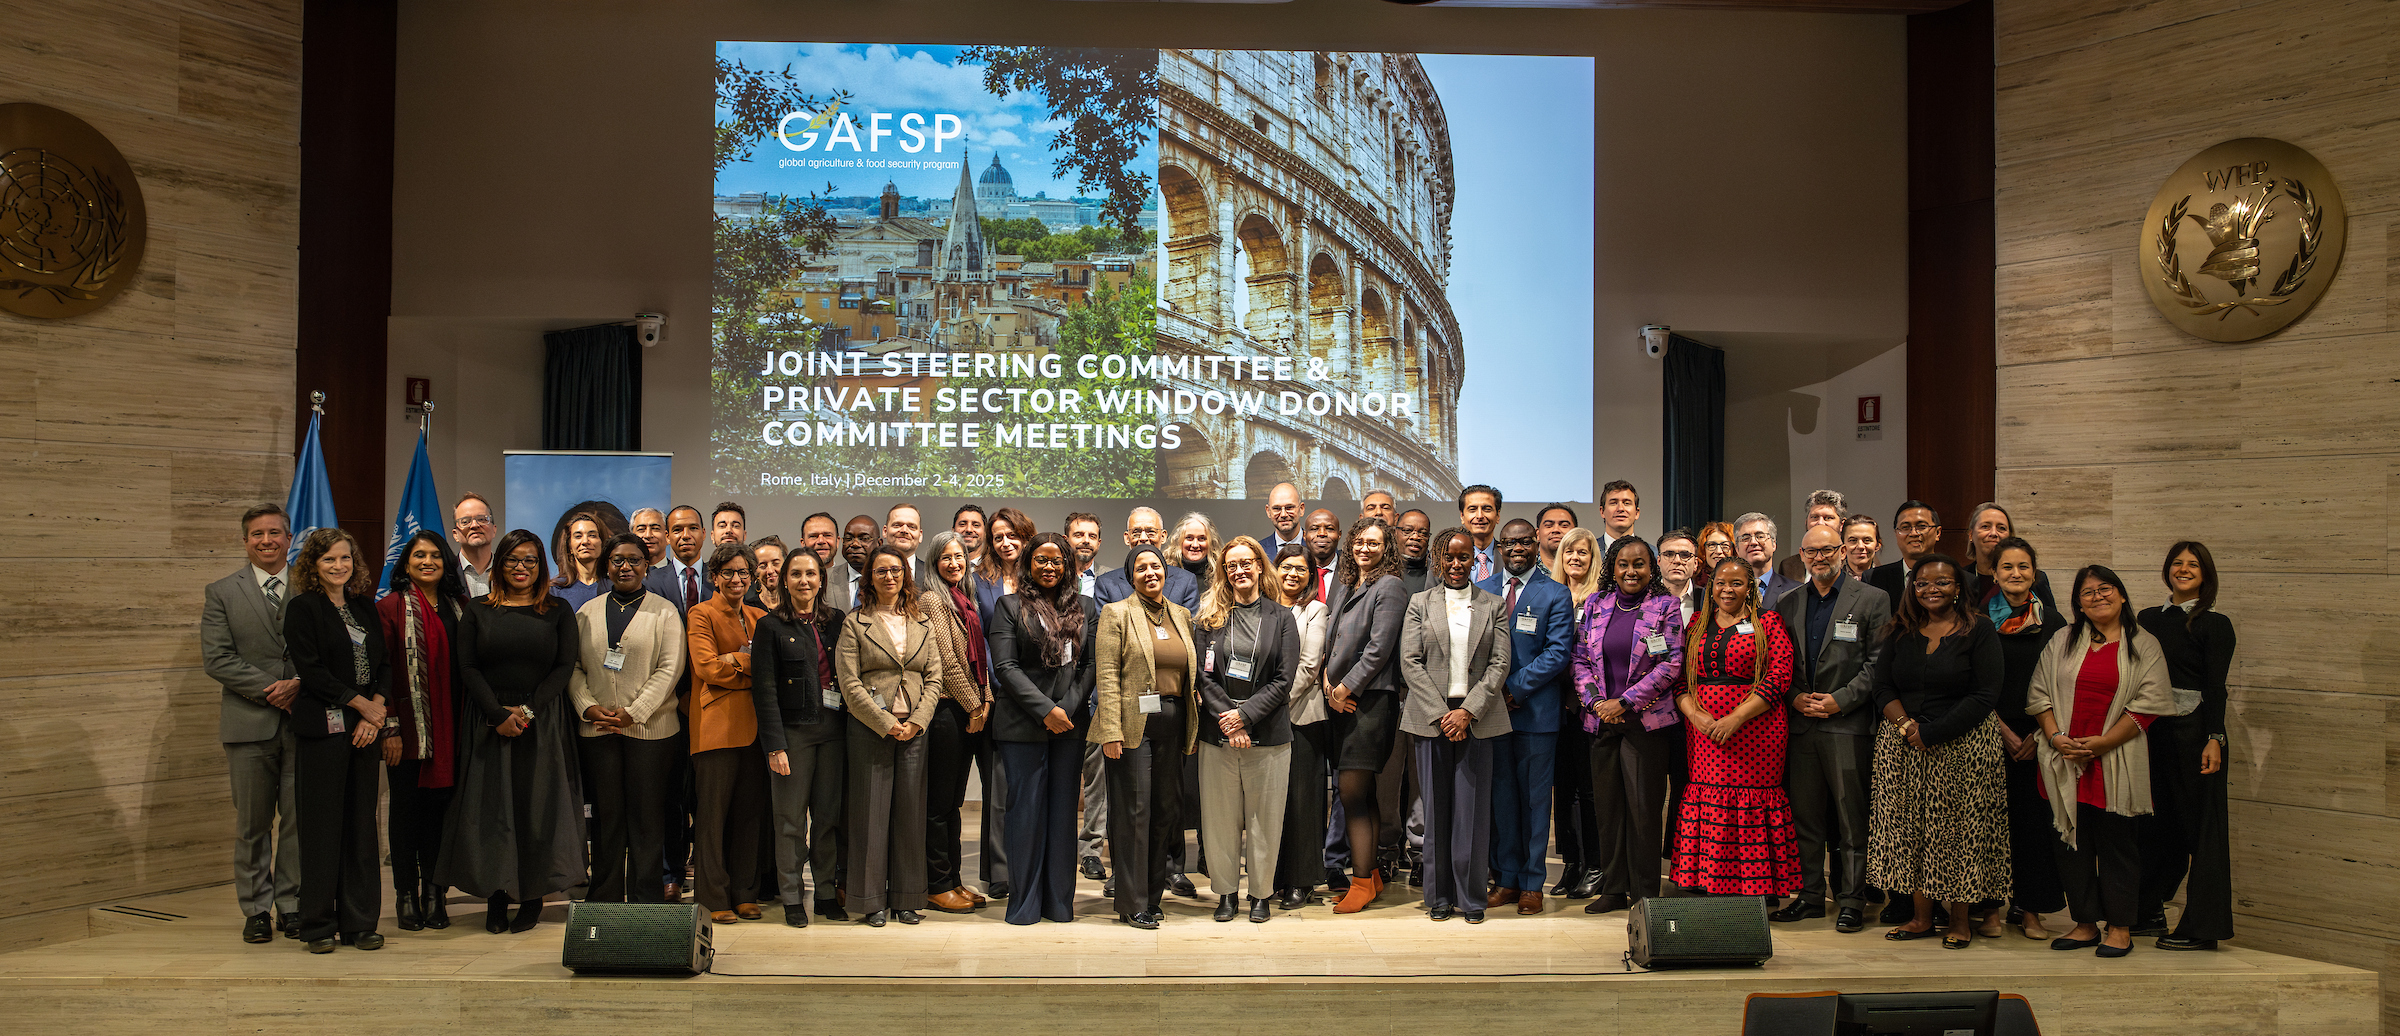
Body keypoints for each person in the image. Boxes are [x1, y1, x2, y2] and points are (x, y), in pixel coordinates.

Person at [2027, 565, 2173, 958]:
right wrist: (2057, 738)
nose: (2097, 597)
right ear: (2078, 603)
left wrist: (2103, 743)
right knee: (2072, 845)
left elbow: (2151, 703)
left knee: (2117, 845)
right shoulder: (2062, 640)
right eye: (2087, 593)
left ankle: (2120, 927)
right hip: (2064, 758)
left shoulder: (2144, 644)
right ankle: (2085, 923)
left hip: (2116, 759)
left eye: (2104, 589)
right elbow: (2039, 693)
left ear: (2122, 595)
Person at [1866, 553, 2010, 949]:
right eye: (1923, 583)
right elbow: (1882, 689)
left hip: (1964, 747)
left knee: (1961, 833)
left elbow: (1985, 694)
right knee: (1912, 833)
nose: (1931, 589)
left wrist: (1934, 732)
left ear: (1958, 588)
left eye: (1942, 582)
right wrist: (1907, 726)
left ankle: (1960, 921)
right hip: (1903, 747)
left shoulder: (1979, 629)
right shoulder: (1898, 630)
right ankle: (1920, 918)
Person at [444, 528, 583, 934]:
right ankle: (496, 896)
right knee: (492, 812)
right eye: (512, 559)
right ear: (499, 563)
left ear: (541, 566)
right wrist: (496, 713)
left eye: (530, 560)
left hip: (541, 721)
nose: (521, 567)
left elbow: (563, 668)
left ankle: (533, 897)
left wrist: (524, 711)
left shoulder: (557, 611)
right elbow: (467, 666)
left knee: (537, 810)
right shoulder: (477, 610)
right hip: (488, 721)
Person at [1769, 525, 1893, 933]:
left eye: (1826, 550)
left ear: (1841, 551)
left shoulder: (1873, 599)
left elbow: (1878, 663)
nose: (1819, 558)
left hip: (1847, 724)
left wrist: (1842, 698)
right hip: (1802, 725)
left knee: (1850, 820)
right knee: (1805, 819)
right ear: (1801, 556)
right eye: (1811, 552)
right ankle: (1808, 895)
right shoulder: (1787, 603)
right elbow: (1778, 663)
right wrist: (1793, 697)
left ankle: (1852, 899)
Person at [200, 504, 304, 944]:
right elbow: (217, 658)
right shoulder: (222, 591)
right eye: (257, 534)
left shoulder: (312, 584)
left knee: (300, 822)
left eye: (275, 533)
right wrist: (273, 689)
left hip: (305, 723)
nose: (267, 541)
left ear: (288, 537)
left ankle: (293, 905)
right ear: (245, 541)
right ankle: (256, 909)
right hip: (247, 726)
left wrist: (299, 684)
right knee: (253, 824)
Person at [282, 528, 389, 953]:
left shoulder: (365, 606)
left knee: (362, 827)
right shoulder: (303, 609)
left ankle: (360, 923)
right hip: (324, 730)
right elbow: (311, 671)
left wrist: (376, 710)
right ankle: (317, 926)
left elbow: (384, 662)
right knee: (323, 829)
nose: (339, 566)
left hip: (366, 730)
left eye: (345, 558)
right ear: (313, 565)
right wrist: (362, 705)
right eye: (329, 560)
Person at [1398, 527, 1512, 923]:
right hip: (1432, 719)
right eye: (1449, 556)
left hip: (1477, 719)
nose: (1456, 564)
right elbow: (1409, 662)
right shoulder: (1419, 602)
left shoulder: (1493, 604)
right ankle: (1439, 896)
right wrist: (1441, 713)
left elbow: (1500, 664)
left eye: (1464, 557)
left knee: (1473, 813)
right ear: (1437, 560)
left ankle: (1472, 897)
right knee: (1436, 809)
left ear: (1475, 560)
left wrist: (1468, 712)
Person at [1670, 559, 1800, 898]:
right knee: (1708, 798)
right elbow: (1680, 681)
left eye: (1737, 583)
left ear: (1751, 587)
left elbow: (1779, 677)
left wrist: (1736, 718)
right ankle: (1708, 882)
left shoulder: (1768, 623)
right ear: (1710, 586)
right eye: (1720, 583)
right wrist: (1697, 718)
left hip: (1758, 731)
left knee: (1752, 802)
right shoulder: (1697, 623)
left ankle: (1756, 887)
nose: (1727, 589)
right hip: (1702, 731)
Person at [987, 532, 1100, 924]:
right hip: (1021, 725)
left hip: (1069, 725)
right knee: (1026, 813)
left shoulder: (1086, 607)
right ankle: (1024, 905)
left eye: (1057, 561)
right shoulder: (1008, 606)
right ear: (1028, 564)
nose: (1049, 567)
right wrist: (1045, 710)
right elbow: (1005, 667)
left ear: (1068, 566)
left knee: (1064, 813)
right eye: (1041, 560)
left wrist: (1065, 708)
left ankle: (1058, 904)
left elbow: (1089, 666)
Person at [569, 534, 685, 904]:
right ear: (608, 565)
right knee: (605, 819)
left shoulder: (664, 611)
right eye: (618, 560)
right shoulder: (586, 613)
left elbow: (670, 669)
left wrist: (633, 713)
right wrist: (587, 706)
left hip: (651, 732)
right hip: (597, 730)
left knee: (647, 820)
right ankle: (602, 899)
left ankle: (644, 901)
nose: (625, 567)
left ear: (646, 566)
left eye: (634, 560)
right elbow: (572, 668)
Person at [1572, 534, 1685, 913]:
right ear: (1613, 568)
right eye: (1624, 564)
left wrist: (1624, 702)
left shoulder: (1665, 607)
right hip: (1602, 722)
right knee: (1608, 810)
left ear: (1651, 568)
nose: (1631, 570)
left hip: (1646, 723)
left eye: (1639, 563)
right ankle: (1613, 889)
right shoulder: (1596, 604)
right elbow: (1580, 659)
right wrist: (1596, 702)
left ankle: (1645, 893)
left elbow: (1670, 664)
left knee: (1644, 811)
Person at [1091, 546, 1201, 929]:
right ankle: (1130, 902)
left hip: (1173, 722)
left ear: (1165, 571)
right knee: (1134, 814)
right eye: (1142, 568)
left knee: (1164, 814)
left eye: (1156, 566)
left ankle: (1152, 899)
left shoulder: (1182, 616)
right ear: (1131, 575)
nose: (1150, 572)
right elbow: (1106, 675)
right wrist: (1110, 730)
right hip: (1132, 726)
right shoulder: (1116, 613)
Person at [2135, 541, 2237, 951]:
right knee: (2155, 826)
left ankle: (2203, 929)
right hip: (2150, 734)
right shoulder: (2145, 619)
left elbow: (2216, 687)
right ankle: (2147, 912)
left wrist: (2215, 738)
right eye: (2177, 563)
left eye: (2193, 564)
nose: (2183, 569)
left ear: (2205, 574)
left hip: (2196, 736)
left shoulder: (2216, 624)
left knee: (2202, 833)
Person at [1192, 536, 1299, 923]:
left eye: (1245, 562)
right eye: (1231, 565)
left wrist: (1246, 716)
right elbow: (1203, 679)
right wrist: (1229, 718)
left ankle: (1260, 894)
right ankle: (1225, 894)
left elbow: (1284, 680)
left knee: (1264, 821)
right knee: (1220, 820)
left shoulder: (1281, 617)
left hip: (1268, 735)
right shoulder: (1209, 619)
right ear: (1224, 572)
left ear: (1259, 566)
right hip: (1218, 735)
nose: (1239, 570)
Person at [835, 545, 944, 926]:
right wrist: (884, 721)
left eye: (896, 570)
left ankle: (906, 898)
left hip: (915, 729)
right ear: (870, 577)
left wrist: (917, 721)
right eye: (881, 571)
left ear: (905, 575)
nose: (890, 577)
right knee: (870, 816)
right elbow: (849, 683)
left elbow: (934, 677)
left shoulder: (922, 622)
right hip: (870, 729)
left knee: (910, 815)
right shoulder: (855, 623)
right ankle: (870, 901)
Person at [1477, 519, 1574, 915]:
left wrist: (1513, 688)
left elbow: (1557, 652)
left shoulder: (1556, 593)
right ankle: (1507, 880)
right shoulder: (1481, 590)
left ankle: (1534, 883)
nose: (1516, 548)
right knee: (1501, 800)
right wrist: (1489, 692)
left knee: (1535, 802)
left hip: (1535, 714)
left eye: (1524, 542)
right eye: (1509, 543)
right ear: (1499, 548)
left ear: (1536, 545)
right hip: (1489, 713)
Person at [374, 530, 468, 933]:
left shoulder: (460, 606)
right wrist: (390, 727)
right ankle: (406, 897)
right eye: (419, 556)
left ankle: (436, 894)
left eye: (435, 555)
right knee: (406, 816)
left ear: (446, 563)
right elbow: (383, 672)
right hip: (408, 731)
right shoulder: (390, 607)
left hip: (453, 728)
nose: (428, 561)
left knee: (442, 817)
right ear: (406, 563)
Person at [751, 546, 849, 927]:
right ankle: (792, 896)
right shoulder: (770, 626)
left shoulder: (837, 621)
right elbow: (764, 691)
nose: (804, 580)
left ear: (821, 579)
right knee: (791, 821)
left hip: (834, 733)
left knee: (827, 819)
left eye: (811, 573)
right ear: (784, 580)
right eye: (796, 574)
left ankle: (825, 893)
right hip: (792, 737)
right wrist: (774, 745)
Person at [1322, 516, 1410, 912]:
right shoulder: (1346, 584)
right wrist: (1327, 683)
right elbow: (1332, 641)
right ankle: (1370, 875)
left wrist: (1344, 688)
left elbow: (1379, 648)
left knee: (1352, 792)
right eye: (1359, 541)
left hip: (1371, 702)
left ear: (1386, 547)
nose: (1364, 548)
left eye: (1374, 543)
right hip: (1342, 700)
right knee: (1363, 794)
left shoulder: (1389, 586)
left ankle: (1359, 882)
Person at [1985, 536, 2067, 943]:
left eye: (2023, 567)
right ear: (1994, 573)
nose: (2015, 574)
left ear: (2035, 572)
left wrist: (2040, 732)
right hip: (1987, 732)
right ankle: (1988, 909)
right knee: (1987, 824)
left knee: (2035, 826)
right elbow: (1973, 682)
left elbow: (2063, 683)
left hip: (2041, 734)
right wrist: (2001, 730)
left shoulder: (2053, 622)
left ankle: (2030, 910)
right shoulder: (1978, 618)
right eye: (2007, 567)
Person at [685, 543, 770, 924]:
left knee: (749, 816)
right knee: (712, 818)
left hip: (757, 730)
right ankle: (713, 897)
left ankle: (745, 893)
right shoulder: (700, 614)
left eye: (743, 573)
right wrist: (747, 662)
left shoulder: (760, 615)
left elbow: (768, 668)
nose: (736, 579)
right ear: (715, 577)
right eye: (728, 573)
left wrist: (735, 662)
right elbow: (707, 668)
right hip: (715, 729)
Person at [919, 531, 993, 914]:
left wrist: (986, 701)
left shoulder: (966, 600)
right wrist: (975, 705)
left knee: (953, 803)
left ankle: (953, 881)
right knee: (938, 804)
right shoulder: (933, 600)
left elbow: (981, 660)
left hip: (967, 708)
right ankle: (936, 883)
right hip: (947, 712)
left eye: (959, 556)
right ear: (933, 563)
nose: (954, 563)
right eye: (945, 557)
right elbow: (947, 662)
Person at [1271, 543, 1335, 911]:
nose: (1293, 574)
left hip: (1301, 721)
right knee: (1272, 805)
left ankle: (1302, 881)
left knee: (1303, 803)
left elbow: (1309, 667)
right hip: (1267, 720)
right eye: (1286, 567)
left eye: (1301, 569)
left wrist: (1268, 706)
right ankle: (1276, 877)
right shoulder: (1261, 608)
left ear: (1311, 576)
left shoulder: (1315, 610)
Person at [1546, 524, 1606, 900]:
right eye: (1569, 552)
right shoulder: (1551, 595)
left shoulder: (1603, 599)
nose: (1575, 558)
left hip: (1589, 706)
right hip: (1553, 706)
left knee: (1589, 790)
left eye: (1582, 552)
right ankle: (1570, 863)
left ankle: (1595, 864)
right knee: (1562, 791)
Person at [1960, 503, 2057, 625]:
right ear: (1970, 535)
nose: (1993, 533)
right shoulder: (1960, 578)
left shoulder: (2034, 579)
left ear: (2010, 535)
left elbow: (2052, 624)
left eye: (2001, 528)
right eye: (1985, 526)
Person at [1094, 507, 1200, 608]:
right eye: (1136, 532)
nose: (1143, 538)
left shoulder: (1185, 581)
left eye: (1151, 532)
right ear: (1127, 538)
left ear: (1163, 536)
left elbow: (1189, 625)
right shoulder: (1106, 584)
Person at [1868, 501, 1942, 605]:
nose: (1913, 533)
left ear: (1937, 533)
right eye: (1905, 527)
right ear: (1896, 534)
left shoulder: (1959, 578)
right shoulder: (1874, 578)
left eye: (1921, 526)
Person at [644, 505, 712, 613]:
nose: (685, 535)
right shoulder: (651, 581)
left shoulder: (719, 578)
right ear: (667, 537)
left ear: (703, 533)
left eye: (693, 528)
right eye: (677, 530)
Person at [976, 507, 1034, 628]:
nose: (1006, 543)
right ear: (992, 544)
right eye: (998, 538)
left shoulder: (1039, 577)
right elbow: (978, 633)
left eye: (1012, 535)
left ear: (1025, 538)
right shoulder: (978, 581)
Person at [1775, 490, 1848, 583]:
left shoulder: (1853, 561)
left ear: (1842, 525)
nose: (1820, 523)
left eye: (1828, 518)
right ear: (1806, 522)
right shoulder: (1789, 566)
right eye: (1814, 517)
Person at [1733, 511, 1802, 609]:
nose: (1753, 542)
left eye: (1760, 536)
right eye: (1745, 538)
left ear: (1774, 544)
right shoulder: (1725, 592)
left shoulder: (1796, 591)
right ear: (1737, 549)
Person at [551, 510, 608, 610]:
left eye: (592, 535)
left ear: (602, 543)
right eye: (578, 536)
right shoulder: (555, 591)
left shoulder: (615, 587)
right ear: (570, 547)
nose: (585, 541)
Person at [452, 492, 497, 596]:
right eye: (465, 521)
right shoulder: (445, 574)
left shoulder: (507, 571)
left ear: (494, 530)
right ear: (455, 535)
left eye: (482, 519)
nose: (474, 525)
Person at [833, 515, 880, 609]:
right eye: (848, 538)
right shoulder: (825, 577)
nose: (855, 544)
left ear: (879, 544)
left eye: (864, 539)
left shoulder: (889, 580)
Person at [1457, 484, 1502, 582]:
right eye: (1472, 509)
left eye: (1487, 509)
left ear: (1498, 515)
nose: (1480, 516)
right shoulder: (1444, 559)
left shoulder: (1508, 557)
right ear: (1462, 516)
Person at [1299, 507, 1343, 605]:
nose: (1322, 534)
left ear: (1339, 535)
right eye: (1314, 529)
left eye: (1329, 529)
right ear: (1304, 535)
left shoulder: (1352, 570)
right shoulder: (1294, 572)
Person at [1657, 529, 1702, 623]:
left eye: (1685, 555)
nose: (1677, 560)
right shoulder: (1643, 598)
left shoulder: (1707, 599)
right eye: (1669, 554)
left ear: (1695, 563)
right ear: (1659, 561)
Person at [884, 504, 931, 589]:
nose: (904, 530)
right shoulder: (870, 571)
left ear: (920, 535)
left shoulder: (932, 574)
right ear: (885, 531)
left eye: (911, 527)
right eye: (897, 525)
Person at [1172, 510, 1219, 587]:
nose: (1195, 545)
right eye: (1189, 538)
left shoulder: (1221, 576)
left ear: (1211, 542)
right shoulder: (1166, 574)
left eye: (1202, 538)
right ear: (1178, 540)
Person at [1260, 481, 1305, 560]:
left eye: (1289, 507)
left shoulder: (1316, 548)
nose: (1283, 514)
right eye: (1277, 508)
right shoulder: (1259, 552)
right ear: (1268, 511)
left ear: (1301, 509)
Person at [1065, 511, 1105, 598]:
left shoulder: (1111, 578)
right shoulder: (1054, 576)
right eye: (1079, 535)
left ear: (1099, 543)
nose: (1086, 540)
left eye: (1092, 536)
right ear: (1066, 540)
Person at [1395, 509, 1434, 593]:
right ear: (1395, 533)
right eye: (1408, 531)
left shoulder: (1437, 574)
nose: (1415, 537)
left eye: (1423, 533)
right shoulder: (1379, 570)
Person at [1597, 481, 1641, 553]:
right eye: (1613, 503)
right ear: (1602, 512)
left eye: (1626, 503)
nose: (1620, 508)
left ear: (1637, 513)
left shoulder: (1653, 554)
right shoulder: (1589, 552)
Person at [746, 536, 787, 611]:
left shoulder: (797, 604)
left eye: (776, 563)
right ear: (755, 572)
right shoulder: (748, 608)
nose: (770, 571)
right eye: (763, 566)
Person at [1535, 504, 1579, 573]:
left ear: (1575, 533)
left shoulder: (1588, 569)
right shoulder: (1527, 570)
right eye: (1549, 525)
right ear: (1538, 534)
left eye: (1564, 525)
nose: (1556, 530)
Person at [1841, 515, 1882, 582]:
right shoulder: (1833, 580)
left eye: (1867, 540)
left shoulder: (1887, 579)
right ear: (1842, 546)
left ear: (1877, 545)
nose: (1860, 546)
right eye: (1853, 540)